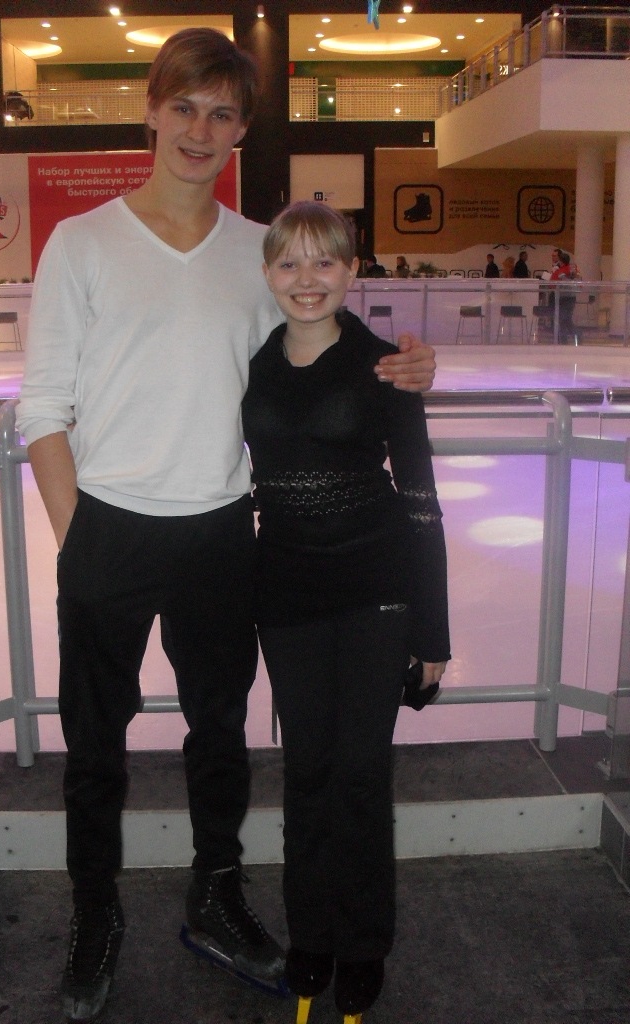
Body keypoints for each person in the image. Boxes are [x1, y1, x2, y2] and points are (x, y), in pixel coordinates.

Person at [15, 27, 436, 1024]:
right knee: (95, 744)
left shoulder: (256, 251)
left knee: (220, 732)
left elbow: (324, 341)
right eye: (184, 108)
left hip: (218, 532)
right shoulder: (83, 242)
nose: (200, 131)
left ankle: (215, 892)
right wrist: (79, 540)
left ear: (240, 130)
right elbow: (43, 408)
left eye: (222, 114)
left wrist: (408, 364)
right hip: (110, 527)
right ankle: (95, 913)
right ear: (151, 112)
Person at [242, 201, 450, 1024]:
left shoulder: (384, 366)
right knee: (307, 774)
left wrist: (432, 631)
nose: (307, 279)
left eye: (324, 261)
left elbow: (421, 497)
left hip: (375, 592)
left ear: (352, 271)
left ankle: (363, 943)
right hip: (288, 595)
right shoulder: (254, 364)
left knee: (360, 774)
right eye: (289, 262)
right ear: (268, 273)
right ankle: (312, 936)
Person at [549, 248, 580, 345]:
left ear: (561, 261)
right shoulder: (573, 269)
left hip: (562, 297)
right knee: (566, 319)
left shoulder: (559, 271)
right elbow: (579, 281)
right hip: (571, 297)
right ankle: (573, 337)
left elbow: (552, 284)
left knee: (563, 319)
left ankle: (566, 339)